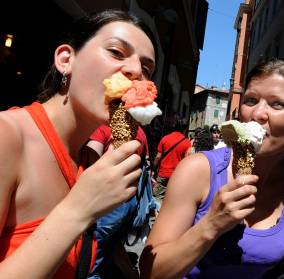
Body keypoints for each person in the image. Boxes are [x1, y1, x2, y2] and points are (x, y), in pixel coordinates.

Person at [0, 9, 156, 278]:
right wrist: (78, 209)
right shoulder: (8, 135)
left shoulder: (90, 162)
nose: (135, 71)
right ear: (66, 59)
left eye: (146, 68)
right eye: (117, 52)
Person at [140, 59, 284, 279]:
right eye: (251, 100)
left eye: (277, 104)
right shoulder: (199, 170)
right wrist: (211, 225)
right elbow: (150, 272)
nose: (257, 114)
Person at [86, 124, 154, 279]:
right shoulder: (139, 131)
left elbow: (92, 156)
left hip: (108, 203)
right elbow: (147, 163)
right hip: (129, 200)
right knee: (114, 243)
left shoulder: (104, 127)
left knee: (94, 252)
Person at [152, 128, 191, 204]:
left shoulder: (165, 138)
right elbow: (186, 161)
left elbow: (158, 157)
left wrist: (154, 168)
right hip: (176, 176)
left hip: (163, 174)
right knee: (172, 200)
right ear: (184, 130)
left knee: (157, 198)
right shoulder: (187, 142)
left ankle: (158, 214)